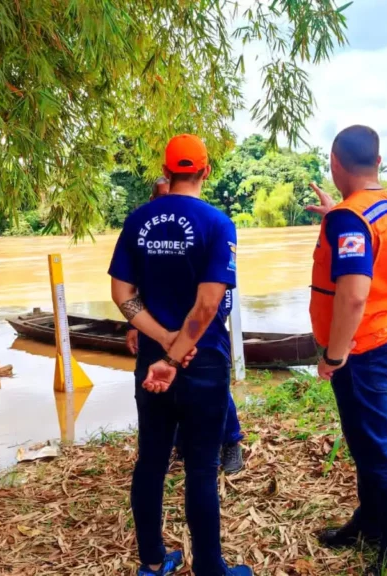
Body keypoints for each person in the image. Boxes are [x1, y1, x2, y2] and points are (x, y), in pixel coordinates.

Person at [109, 134, 251, 576]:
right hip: (201, 359)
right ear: (206, 171)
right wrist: (179, 350)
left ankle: (152, 561)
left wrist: (163, 340)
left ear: (167, 171)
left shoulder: (137, 220)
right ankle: (210, 568)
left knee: (151, 460)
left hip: (152, 360)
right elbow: (209, 304)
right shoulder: (217, 223)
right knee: (202, 468)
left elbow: (122, 295)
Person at [305, 125, 387, 574]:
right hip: (381, 333)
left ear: (335, 161)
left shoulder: (352, 219)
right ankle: (372, 521)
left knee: (375, 446)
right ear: (377, 160)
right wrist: (338, 213)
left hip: (361, 347)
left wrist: (334, 356)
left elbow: (353, 295)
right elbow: (366, 247)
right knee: (363, 441)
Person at [126, 178, 246, 475]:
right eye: (165, 198)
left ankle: (231, 441)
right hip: (157, 333)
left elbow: (218, 295)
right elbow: (132, 289)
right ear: (155, 202)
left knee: (212, 390)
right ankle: (177, 445)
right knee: (164, 391)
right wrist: (132, 325)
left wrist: (200, 328)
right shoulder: (145, 233)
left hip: (200, 334)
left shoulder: (209, 225)